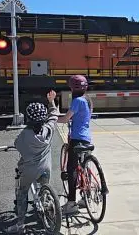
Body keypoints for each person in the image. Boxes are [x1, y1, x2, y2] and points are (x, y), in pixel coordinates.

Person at [6, 90, 59, 234]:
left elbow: (17, 145)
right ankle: (48, 210)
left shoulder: (24, 135)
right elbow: (54, 116)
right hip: (46, 168)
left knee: (22, 192)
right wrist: (51, 101)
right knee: (44, 188)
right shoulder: (48, 130)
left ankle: (20, 224)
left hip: (29, 170)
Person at [58, 75, 103, 214]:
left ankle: (71, 203)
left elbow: (66, 119)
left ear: (71, 87)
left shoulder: (77, 101)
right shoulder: (88, 100)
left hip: (76, 139)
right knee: (84, 167)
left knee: (71, 169)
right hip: (87, 138)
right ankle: (85, 198)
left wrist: (54, 119)